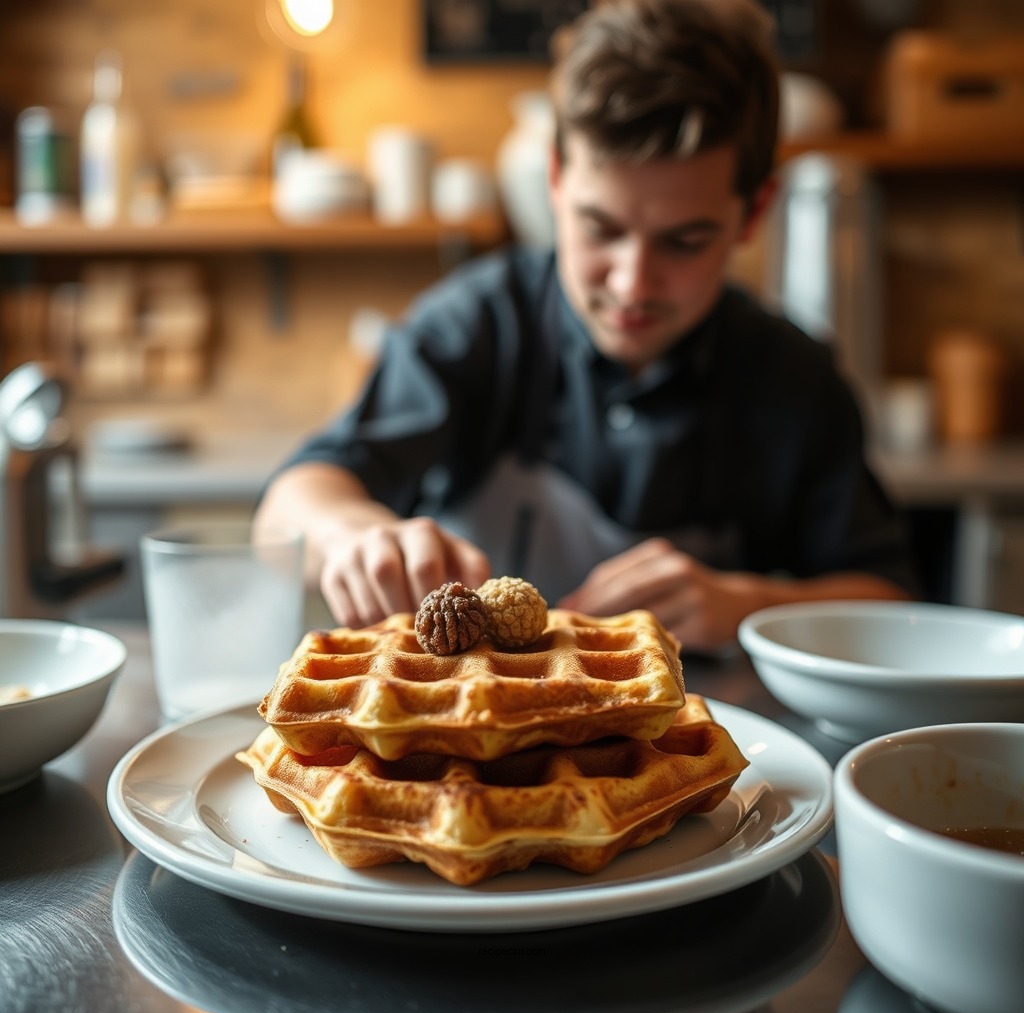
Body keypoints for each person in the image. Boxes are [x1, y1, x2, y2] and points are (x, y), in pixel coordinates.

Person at [254, 0, 915, 653]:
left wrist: (745, 606)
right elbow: (288, 506)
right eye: (601, 229)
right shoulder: (477, 324)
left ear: (752, 213)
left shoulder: (794, 378)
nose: (632, 283)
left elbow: (893, 604)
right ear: (556, 180)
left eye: (685, 241)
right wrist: (356, 537)